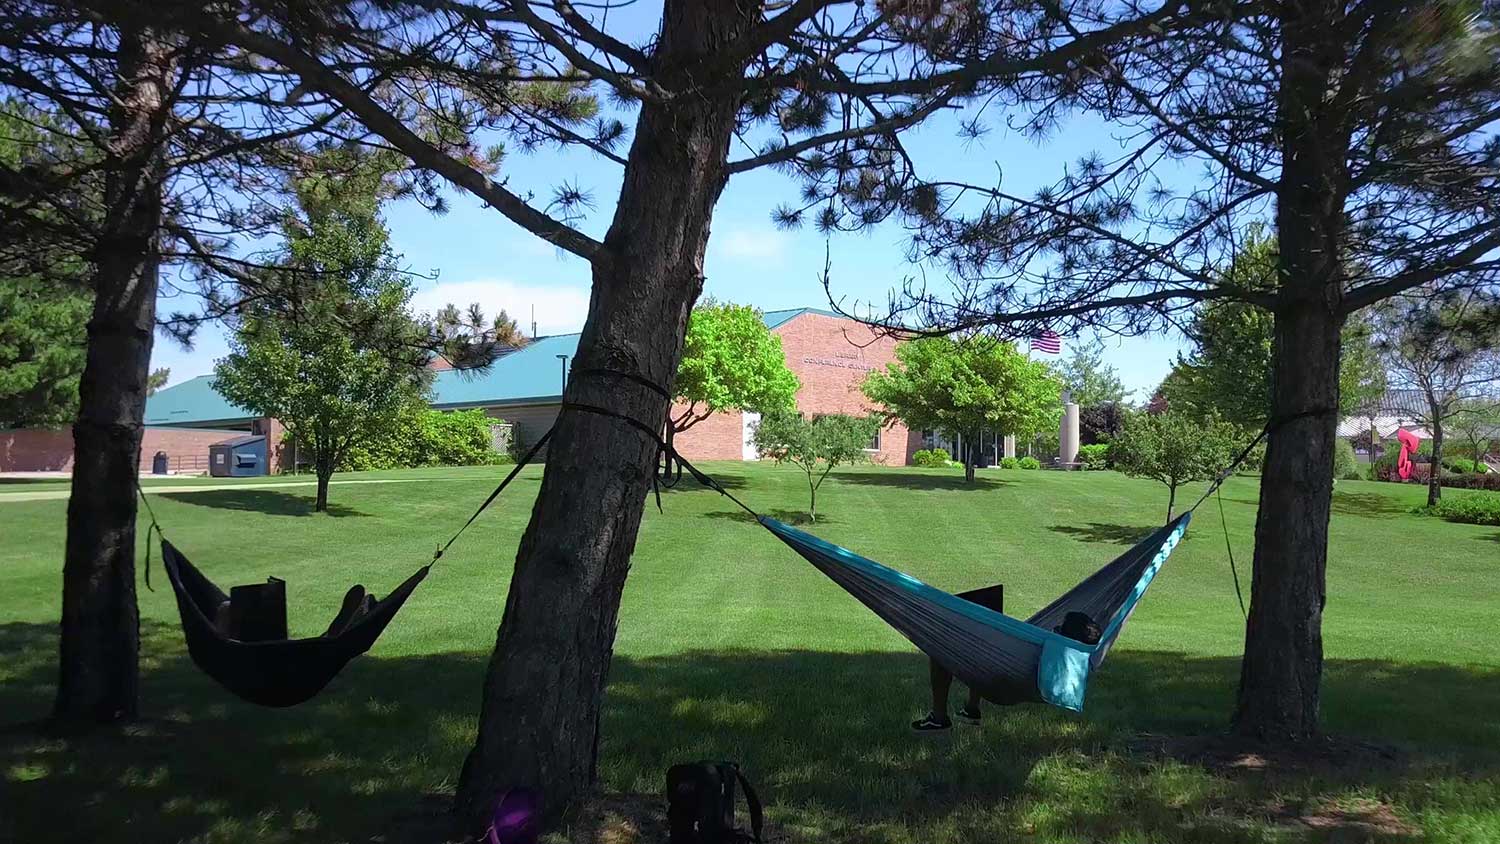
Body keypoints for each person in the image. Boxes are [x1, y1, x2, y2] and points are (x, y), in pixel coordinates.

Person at [911, 584, 1003, 732]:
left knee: (939, 640)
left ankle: (939, 717)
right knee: (982, 637)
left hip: (964, 588)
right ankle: (972, 708)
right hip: (991, 584)